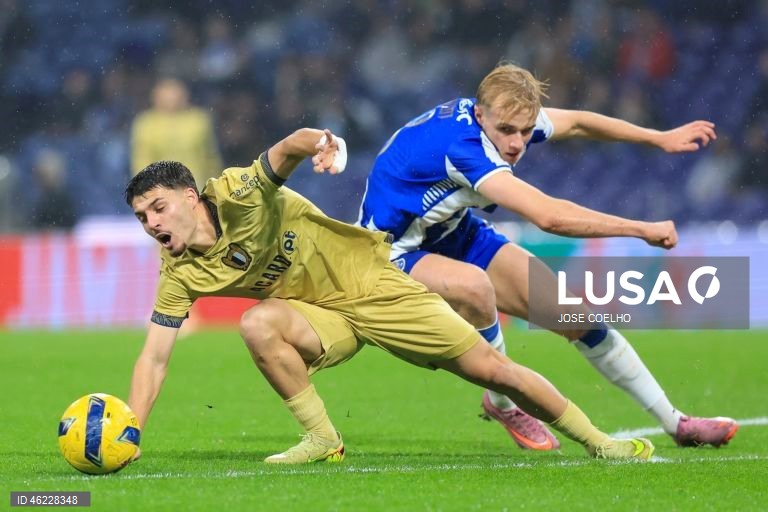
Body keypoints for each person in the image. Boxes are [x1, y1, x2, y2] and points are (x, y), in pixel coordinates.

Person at [124, 127, 655, 465]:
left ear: (190, 198)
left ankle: (598, 441)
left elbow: (289, 145)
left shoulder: (239, 192)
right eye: (142, 216)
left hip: (372, 284)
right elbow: (154, 357)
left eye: (157, 208)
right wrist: (132, 433)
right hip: (320, 316)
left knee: (492, 370)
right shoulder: (179, 273)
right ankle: (322, 440)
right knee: (257, 324)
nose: (151, 223)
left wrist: (324, 146)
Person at [356, 63, 738, 451]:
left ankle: (677, 423)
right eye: (507, 131)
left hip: (451, 231)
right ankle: (504, 402)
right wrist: (640, 229)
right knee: (475, 288)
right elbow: (549, 216)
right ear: (479, 115)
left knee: (577, 317)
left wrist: (657, 137)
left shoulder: (506, 111)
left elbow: (577, 123)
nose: (517, 144)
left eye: (525, 131)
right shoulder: (465, 148)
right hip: (389, 251)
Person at [131, 78, 223, 186]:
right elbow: (141, 160)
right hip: (161, 188)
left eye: (174, 92)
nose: (171, 98)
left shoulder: (199, 120)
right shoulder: (146, 123)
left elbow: (210, 157)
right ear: (156, 96)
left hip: (196, 186)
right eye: (167, 93)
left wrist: (217, 185)